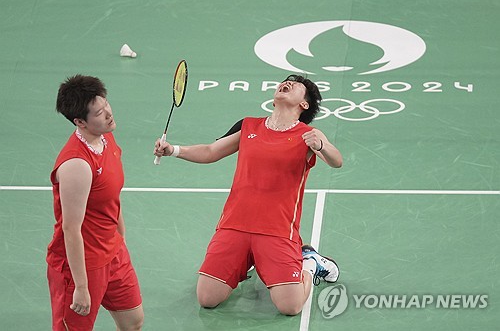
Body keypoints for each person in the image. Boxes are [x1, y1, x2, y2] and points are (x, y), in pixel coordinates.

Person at [154, 74, 343, 315]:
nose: (287, 84)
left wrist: (321, 146)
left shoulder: (309, 135)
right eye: (285, 81)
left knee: (290, 306)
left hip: (277, 230)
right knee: (207, 298)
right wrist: (173, 150)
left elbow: (336, 161)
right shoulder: (248, 126)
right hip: (235, 225)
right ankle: (247, 263)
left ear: (304, 104)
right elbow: (211, 151)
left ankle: (309, 263)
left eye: (295, 85)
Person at [46, 75, 144, 330]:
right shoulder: (76, 165)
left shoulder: (105, 138)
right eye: (99, 113)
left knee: (133, 322)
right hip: (83, 265)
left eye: (106, 105)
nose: (109, 114)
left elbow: (111, 195)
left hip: (113, 251)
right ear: (80, 122)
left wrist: (120, 236)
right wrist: (80, 286)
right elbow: (71, 228)